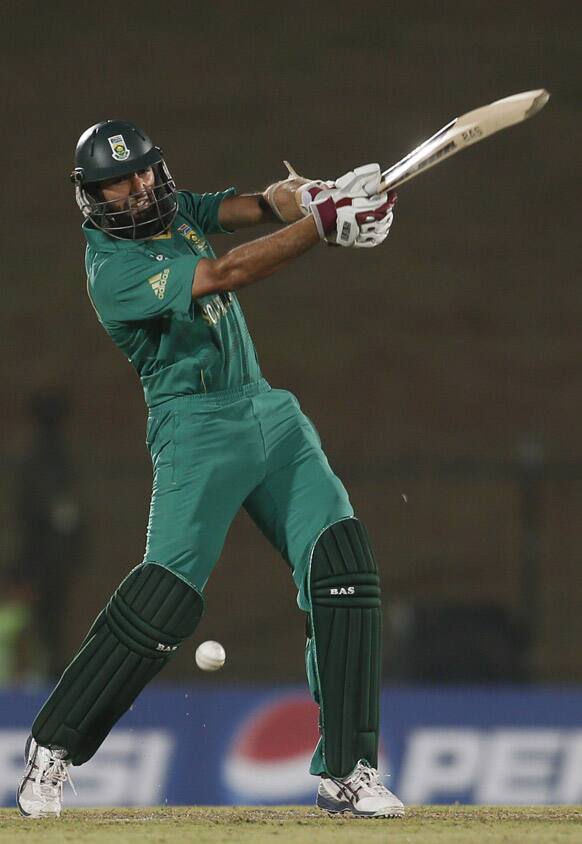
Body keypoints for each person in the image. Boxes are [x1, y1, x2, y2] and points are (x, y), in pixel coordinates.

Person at [17, 120, 403, 820]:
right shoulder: (114, 270)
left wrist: (322, 195)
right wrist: (323, 227)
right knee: (166, 598)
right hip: (194, 429)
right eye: (121, 180)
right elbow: (228, 271)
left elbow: (255, 206)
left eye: (145, 172)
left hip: (267, 410)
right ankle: (52, 750)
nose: (140, 187)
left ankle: (348, 771)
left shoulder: (170, 210)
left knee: (343, 563)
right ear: (92, 196)